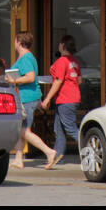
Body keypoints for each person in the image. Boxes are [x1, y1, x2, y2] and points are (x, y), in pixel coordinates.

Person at [5, 31, 57, 168]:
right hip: (27, 97)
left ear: (19, 42)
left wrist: (14, 80)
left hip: (28, 98)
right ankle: (18, 159)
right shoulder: (26, 57)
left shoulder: (26, 58)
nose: (14, 43)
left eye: (15, 40)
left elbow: (31, 77)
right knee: (21, 129)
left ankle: (49, 152)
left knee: (24, 131)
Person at [41, 34, 82, 169]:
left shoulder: (61, 61)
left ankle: (90, 150)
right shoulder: (74, 61)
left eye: (59, 43)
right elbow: (79, 80)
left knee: (70, 128)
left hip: (65, 99)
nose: (58, 45)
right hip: (72, 97)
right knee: (59, 129)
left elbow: (58, 81)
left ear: (63, 46)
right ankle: (57, 156)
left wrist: (46, 99)